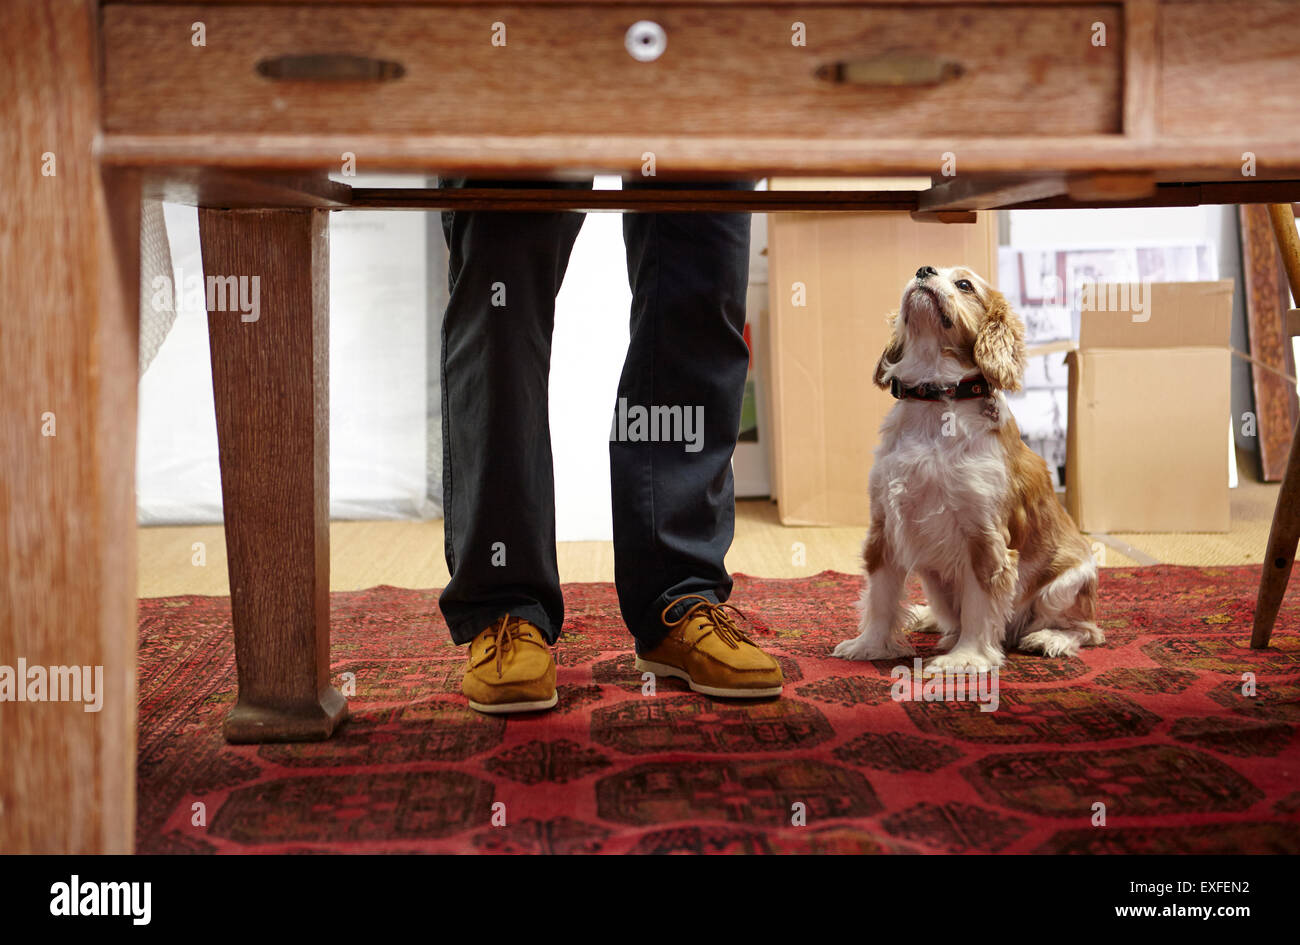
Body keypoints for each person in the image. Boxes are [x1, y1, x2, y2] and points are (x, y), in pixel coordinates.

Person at [438, 177, 783, 714]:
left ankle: (679, 594)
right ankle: (503, 606)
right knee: (501, 277)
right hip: (506, 92)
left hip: (704, 94)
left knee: (702, 273)